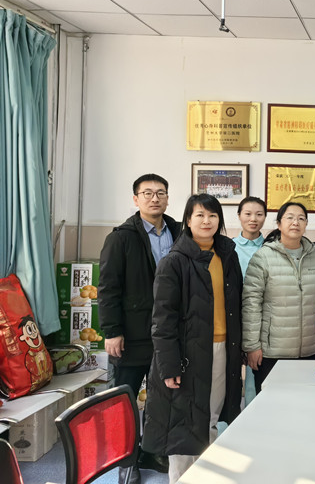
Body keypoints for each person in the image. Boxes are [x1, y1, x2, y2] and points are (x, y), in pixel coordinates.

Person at [142, 194, 243, 484]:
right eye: (199, 215)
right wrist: (169, 366)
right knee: (183, 425)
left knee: (210, 418)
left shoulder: (227, 255)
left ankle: (206, 477)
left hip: (223, 349)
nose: (206, 221)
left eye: (212, 215)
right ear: (188, 220)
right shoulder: (174, 262)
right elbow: (162, 321)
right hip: (187, 354)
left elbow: (236, 305)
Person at [99, 173, 179, 483]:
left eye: (160, 193)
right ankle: (126, 461)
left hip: (167, 333)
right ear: (136, 199)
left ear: (168, 198)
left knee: (162, 398)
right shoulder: (121, 237)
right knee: (125, 398)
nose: (154, 198)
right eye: (147, 193)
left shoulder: (179, 232)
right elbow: (108, 288)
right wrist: (111, 330)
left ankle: (151, 451)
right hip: (132, 334)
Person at [242, 201, 315, 393]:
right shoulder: (263, 257)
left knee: (307, 403)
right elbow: (251, 304)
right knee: (272, 405)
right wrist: (252, 346)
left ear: (306, 224)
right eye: (290, 218)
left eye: (301, 218)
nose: (295, 222)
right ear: (279, 224)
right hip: (272, 352)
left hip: (310, 350)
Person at [231, 196, 267, 407]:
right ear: (239, 216)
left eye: (259, 214)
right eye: (248, 214)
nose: (253, 219)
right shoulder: (228, 247)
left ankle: (255, 414)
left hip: (261, 319)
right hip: (234, 317)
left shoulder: (272, 247)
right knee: (230, 374)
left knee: (256, 371)